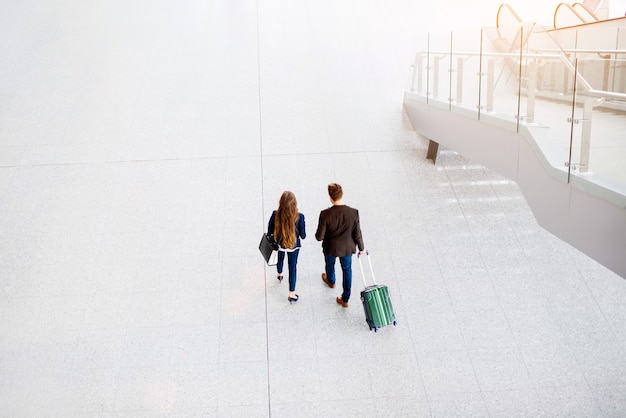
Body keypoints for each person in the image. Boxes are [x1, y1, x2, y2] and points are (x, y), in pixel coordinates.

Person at [315, 183, 365, 308]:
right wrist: (362, 248)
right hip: (347, 248)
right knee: (347, 270)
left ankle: (331, 281)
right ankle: (345, 299)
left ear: (330, 197)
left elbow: (319, 237)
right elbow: (357, 233)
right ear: (342, 194)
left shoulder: (325, 214)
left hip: (330, 248)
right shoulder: (354, 213)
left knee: (330, 264)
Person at [268, 191, 306, 303]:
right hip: (293, 246)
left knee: (280, 259)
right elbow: (303, 236)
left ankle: (280, 274)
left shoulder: (275, 215)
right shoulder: (300, 217)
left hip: (279, 245)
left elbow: (269, 231)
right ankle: (291, 293)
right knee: (292, 267)